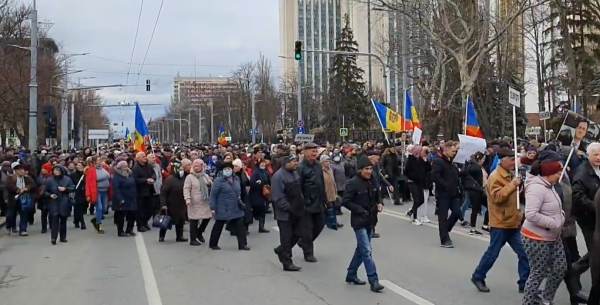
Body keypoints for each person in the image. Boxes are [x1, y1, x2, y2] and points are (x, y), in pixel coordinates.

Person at [471, 148, 529, 293]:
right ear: (502, 160)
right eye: (510, 159)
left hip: (513, 222)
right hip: (500, 223)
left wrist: (520, 186)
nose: (513, 162)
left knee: (525, 253)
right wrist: (513, 185)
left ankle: (525, 283)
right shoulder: (495, 177)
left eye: (514, 159)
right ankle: (478, 276)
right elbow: (497, 197)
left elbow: (515, 197)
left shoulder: (511, 175)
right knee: (493, 253)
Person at [521, 159, 567, 305]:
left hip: (553, 236)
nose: (561, 174)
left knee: (560, 268)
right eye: (558, 172)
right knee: (538, 273)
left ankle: (546, 299)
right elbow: (531, 214)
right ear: (549, 173)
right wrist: (553, 223)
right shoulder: (537, 188)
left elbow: (554, 206)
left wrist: (561, 215)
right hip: (536, 237)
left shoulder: (550, 185)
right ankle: (528, 302)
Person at [342, 155, 385, 293]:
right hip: (359, 221)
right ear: (360, 169)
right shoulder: (352, 183)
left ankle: (351, 274)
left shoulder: (372, 180)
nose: (369, 171)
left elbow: (377, 194)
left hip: (371, 220)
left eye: (371, 169)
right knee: (366, 251)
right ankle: (374, 281)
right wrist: (359, 210)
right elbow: (346, 201)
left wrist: (379, 203)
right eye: (366, 169)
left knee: (361, 250)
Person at [272, 155, 304, 271]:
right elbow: (278, 197)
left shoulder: (295, 173)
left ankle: (281, 250)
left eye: (296, 161)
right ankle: (287, 262)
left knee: (298, 234)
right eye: (294, 162)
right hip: (285, 214)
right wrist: (289, 208)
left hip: (297, 211)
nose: (296, 163)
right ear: (286, 163)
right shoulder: (278, 176)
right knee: (286, 238)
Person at [208, 162, 249, 251]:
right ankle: (213, 244)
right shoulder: (218, 181)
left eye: (229, 169)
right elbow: (213, 195)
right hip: (223, 207)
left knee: (240, 226)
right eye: (225, 169)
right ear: (222, 171)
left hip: (236, 206)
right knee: (218, 226)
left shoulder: (236, 179)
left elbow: (239, 191)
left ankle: (242, 245)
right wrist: (212, 207)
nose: (228, 171)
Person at [297, 143, 326, 262]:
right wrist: (302, 202)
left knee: (320, 225)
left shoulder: (318, 166)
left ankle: (303, 242)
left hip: (318, 202)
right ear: (305, 152)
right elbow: (298, 187)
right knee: (307, 230)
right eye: (312, 151)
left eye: (316, 151)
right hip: (306, 204)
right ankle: (308, 253)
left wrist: (325, 199)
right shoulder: (300, 168)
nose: (314, 154)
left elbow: (321, 183)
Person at [431, 141, 462, 247]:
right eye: (453, 151)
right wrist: (445, 185)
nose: (455, 153)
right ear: (446, 150)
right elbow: (435, 176)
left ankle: (446, 228)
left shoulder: (452, 163)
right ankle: (445, 240)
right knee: (442, 217)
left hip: (454, 193)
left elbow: (456, 175)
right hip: (443, 194)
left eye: (455, 151)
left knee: (457, 212)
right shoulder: (438, 161)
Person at [184, 159, 213, 245]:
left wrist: (209, 183)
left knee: (208, 217)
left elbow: (211, 184)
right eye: (194, 166)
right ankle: (193, 239)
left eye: (198, 165)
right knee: (194, 220)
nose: (196, 167)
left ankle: (199, 232)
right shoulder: (189, 177)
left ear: (202, 166)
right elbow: (186, 189)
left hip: (205, 201)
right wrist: (187, 199)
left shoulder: (205, 176)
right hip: (194, 202)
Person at [159, 160, 188, 243]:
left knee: (181, 221)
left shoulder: (185, 178)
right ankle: (161, 236)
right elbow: (163, 193)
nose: (181, 171)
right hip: (170, 205)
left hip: (181, 204)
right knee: (166, 221)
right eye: (179, 169)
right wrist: (163, 204)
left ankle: (179, 236)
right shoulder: (169, 179)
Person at [44, 166, 75, 245]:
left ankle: (63, 237)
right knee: (54, 220)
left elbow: (72, 187)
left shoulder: (67, 179)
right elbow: (44, 191)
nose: (56, 172)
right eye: (55, 170)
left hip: (64, 201)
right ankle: (53, 237)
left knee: (63, 220)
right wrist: (50, 195)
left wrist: (65, 189)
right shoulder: (49, 180)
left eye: (58, 170)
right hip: (54, 202)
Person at [6, 162, 36, 236]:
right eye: (20, 170)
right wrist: (18, 190)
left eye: (22, 170)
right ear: (16, 171)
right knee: (11, 215)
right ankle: (10, 226)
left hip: (23, 198)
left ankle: (23, 229)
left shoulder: (27, 178)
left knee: (24, 214)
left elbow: (33, 184)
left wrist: (27, 188)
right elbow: (9, 186)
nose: (22, 171)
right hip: (13, 199)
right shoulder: (11, 177)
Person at [462, 152, 487, 235]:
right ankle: (477, 227)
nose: (484, 161)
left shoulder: (469, 165)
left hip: (471, 189)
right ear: (479, 159)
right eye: (483, 159)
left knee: (474, 209)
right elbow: (480, 181)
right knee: (476, 209)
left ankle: (474, 227)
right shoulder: (477, 168)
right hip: (477, 190)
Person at [85, 156, 111, 234]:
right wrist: (88, 195)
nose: (99, 162)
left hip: (105, 191)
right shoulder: (91, 170)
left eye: (100, 160)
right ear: (93, 162)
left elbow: (109, 176)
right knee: (99, 208)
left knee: (104, 208)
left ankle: (96, 219)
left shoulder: (104, 168)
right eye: (97, 161)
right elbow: (88, 183)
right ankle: (98, 225)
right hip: (96, 192)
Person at [112, 160, 137, 237]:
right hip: (122, 198)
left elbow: (134, 183)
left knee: (132, 214)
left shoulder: (130, 174)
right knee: (121, 216)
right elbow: (116, 189)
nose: (126, 167)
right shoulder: (117, 176)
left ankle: (129, 230)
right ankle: (120, 231)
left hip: (131, 198)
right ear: (120, 167)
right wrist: (120, 199)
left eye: (126, 166)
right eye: (124, 166)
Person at [132, 152, 156, 232]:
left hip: (150, 190)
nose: (145, 158)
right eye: (143, 156)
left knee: (150, 209)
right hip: (140, 192)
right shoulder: (135, 168)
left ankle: (145, 222)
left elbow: (153, 174)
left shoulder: (148, 166)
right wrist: (145, 180)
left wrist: (153, 178)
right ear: (138, 158)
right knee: (141, 210)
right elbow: (135, 179)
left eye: (145, 156)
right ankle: (140, 225)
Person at [406, 145, 428, 225]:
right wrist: (414, 177)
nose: (421, 152)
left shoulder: (421, 159)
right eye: (419, 150)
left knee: (421, 200)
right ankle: (414, 218)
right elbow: (406, 171)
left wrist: (426, 161)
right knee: (416, 200)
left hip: (419, 182)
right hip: (412, 182)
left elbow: (428, 169)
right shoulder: (411, 159)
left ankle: (411, 211)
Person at [249, 158, 271, 233]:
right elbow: (252, 183)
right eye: (261, 163)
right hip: (256, 193)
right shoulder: (256, 172)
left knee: (262, 210)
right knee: (256, 208)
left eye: (264, 163)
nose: (263, 164)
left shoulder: (266, 172)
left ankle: (261, 227)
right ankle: (247, 225)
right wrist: (259, 183)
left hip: (264, 193)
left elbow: (269, 181)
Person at [321, 154, 342, 230]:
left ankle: (334, 222)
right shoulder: (320, 171)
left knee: (334, 208)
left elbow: (333, 182)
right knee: (329, 209)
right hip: (326, 193)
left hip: (332, 192)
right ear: (322, 162)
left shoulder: (330, 169)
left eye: (329, 161)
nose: (328, 162)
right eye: (326, 161)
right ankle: (331, 223)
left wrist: (336, 192)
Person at [70, 162, 87, 230]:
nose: (79, 166)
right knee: (78, 207)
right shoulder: (73, 175)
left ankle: (76, 220)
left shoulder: (85, 175)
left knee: (79, 208)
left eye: (80, 165)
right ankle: (82, 222)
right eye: (77, 165)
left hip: (83, 193)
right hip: (76, 193)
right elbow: (72, 183)